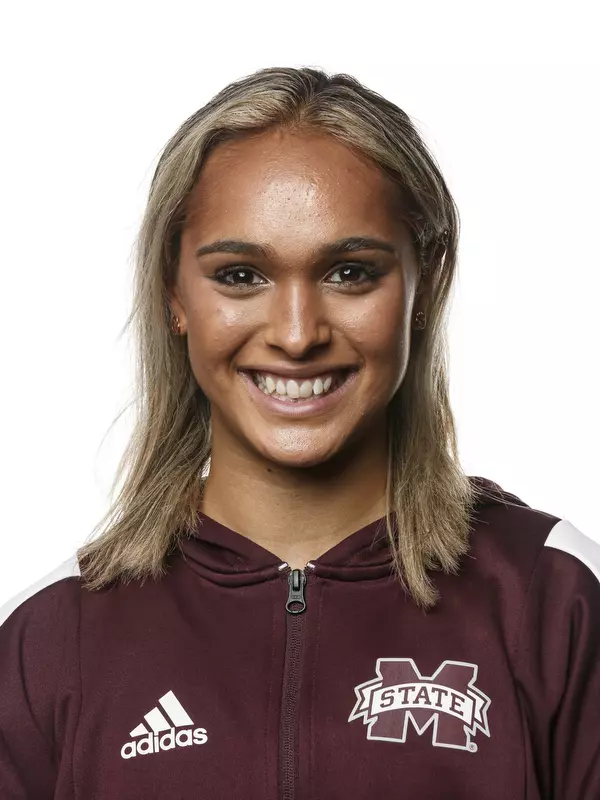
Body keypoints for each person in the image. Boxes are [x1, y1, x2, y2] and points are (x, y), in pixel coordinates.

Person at [1, 65, 599, 800]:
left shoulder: (551, 597)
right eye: (240, 276)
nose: (295, 334)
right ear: (172, 291)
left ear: (427, 283)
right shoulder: (51, 637)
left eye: (349, 272)